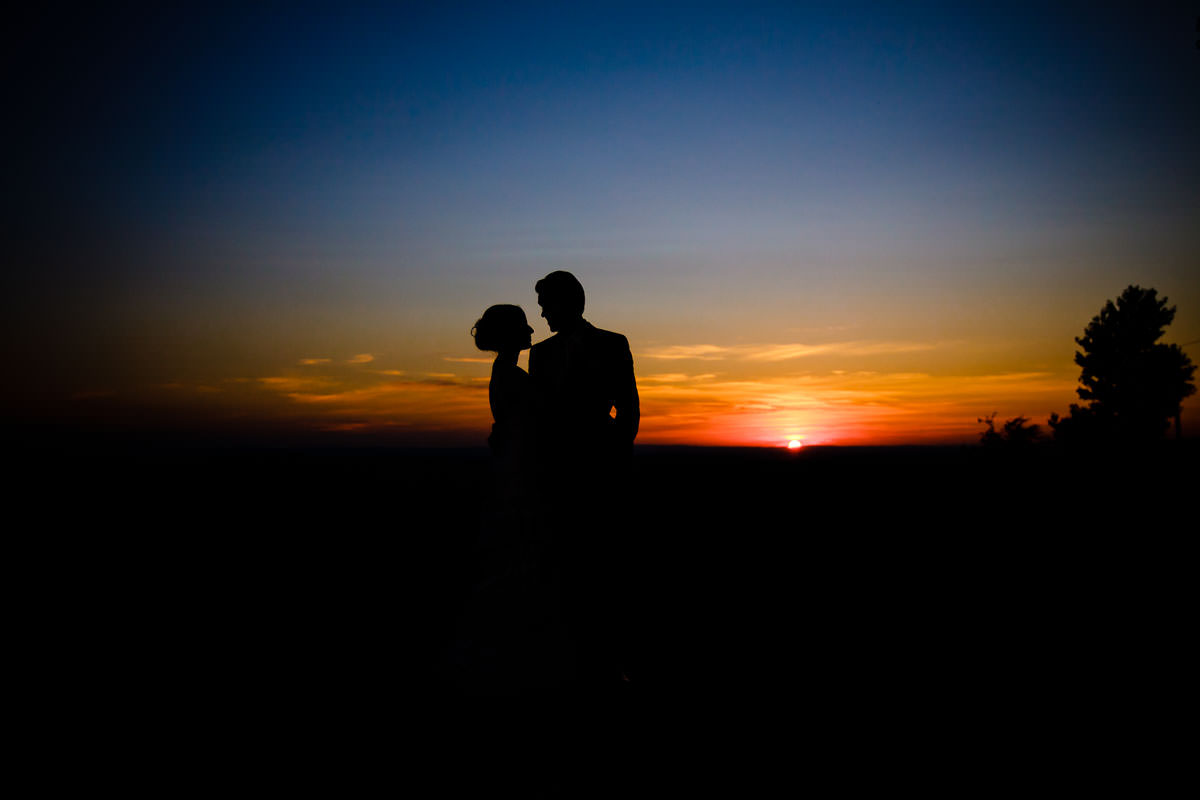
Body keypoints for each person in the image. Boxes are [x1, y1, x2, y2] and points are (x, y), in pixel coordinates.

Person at [528, 270, 639, 689]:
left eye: (546, 304)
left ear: (570, 302)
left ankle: (608, 665)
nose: (541, 313)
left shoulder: (613, 344)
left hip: (602, 477)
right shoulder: (540, 355)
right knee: (564, 569)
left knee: (605, 571)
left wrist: (612, 462)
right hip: (555, 477)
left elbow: (628, 411)